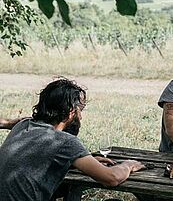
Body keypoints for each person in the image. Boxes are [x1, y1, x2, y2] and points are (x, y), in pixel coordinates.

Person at [0, 78, 145, 201]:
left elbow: (35, 159)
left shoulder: (23, 125)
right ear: (71, 112)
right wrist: (129, 165)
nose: (81, 116)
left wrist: (76, 162)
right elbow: (111, 178)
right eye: (80, 110)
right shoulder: (64, 142)